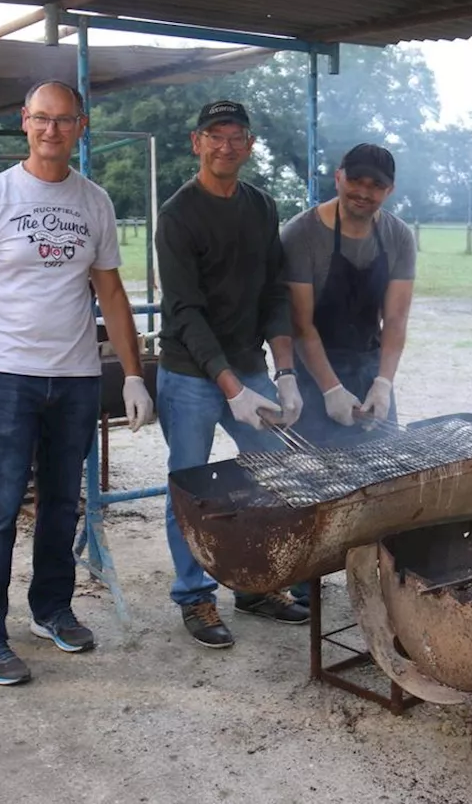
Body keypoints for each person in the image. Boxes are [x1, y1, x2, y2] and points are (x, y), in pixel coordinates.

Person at [0, 80, 152, 686]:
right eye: (40, 119)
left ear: (81, 126)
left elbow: (110, 291)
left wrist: (132, 374)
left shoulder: (94, 201)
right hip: (9, 376)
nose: (51, 130)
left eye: (63, 120)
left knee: (61, 502)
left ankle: (51, 608)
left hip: (76, 376)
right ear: (24, 124)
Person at [155, 100, 309, 650]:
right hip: (190, 375)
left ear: (249, 145)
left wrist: (284, 373)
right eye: (214, 136)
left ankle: (255, 584)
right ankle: (193, 594)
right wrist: (231, 387)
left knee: (272, 476)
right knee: (191, 486)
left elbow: (273, 292)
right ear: (196, 142)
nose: (225, 146)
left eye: (236, 136)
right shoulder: (179, 215)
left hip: (251, 366)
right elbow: (185, 314)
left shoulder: (261, 207)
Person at [279, 144, 415, 448]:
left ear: (389, 190)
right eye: (356, 181)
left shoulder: (399, 236)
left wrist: (383, 383)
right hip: (313, 373)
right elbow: (301, 324)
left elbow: (395, 319)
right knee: (314, 475)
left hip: (369, 364)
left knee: (383, 468)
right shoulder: (301, 234)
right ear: (339, 177)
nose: (364, 193)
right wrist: (331, 390)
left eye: (376, 186)